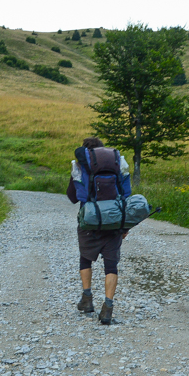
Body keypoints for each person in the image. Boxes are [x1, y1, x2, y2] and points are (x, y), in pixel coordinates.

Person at [66, 136, 131, 325]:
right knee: (111, 265)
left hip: (89, 221)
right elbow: (126, 194)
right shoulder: (117, 164)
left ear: (86, 154)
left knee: (85, 257)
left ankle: (87, 299)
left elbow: (72, 197)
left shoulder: (81, 166)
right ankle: (108, 308)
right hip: (114, 222)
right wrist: (124, 226)